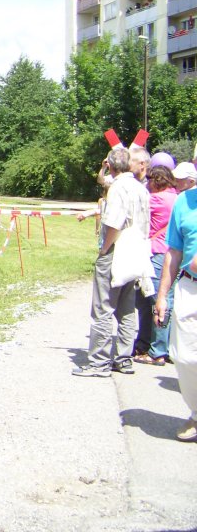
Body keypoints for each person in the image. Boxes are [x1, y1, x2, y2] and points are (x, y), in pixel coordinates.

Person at [73, 146, 149, 377]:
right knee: (126, 309)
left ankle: (98, 362)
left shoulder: (117, 188)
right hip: (136, 252)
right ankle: (123, 359)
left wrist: (104, 249)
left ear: (112, 166)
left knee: (103, 309)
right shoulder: (140, 188)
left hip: (116, 252)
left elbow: (114, 223)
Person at [154, 169, 197, 442]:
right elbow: (173, 251)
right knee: (184, 357)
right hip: (189, 285)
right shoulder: (184, 201)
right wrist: (162, 296)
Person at [134, 165, 177, 364]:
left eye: (149, 179)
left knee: (155, 300)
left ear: (156, 180)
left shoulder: (158, 199)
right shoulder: (174, 196)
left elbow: (135, 206)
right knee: (150, 300)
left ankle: (158, 350)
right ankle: (149, 344)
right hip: (163, 252)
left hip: (157, 253)